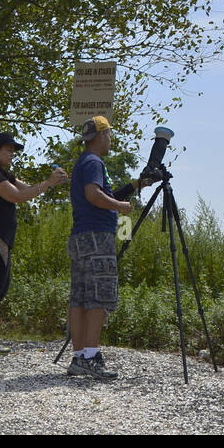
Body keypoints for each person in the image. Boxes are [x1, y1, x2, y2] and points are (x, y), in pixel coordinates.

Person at [0, 132, 69, 355]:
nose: (12, 154)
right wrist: (48, 182)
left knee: (2, 285)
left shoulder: (3, 174)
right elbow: (17, 197)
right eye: (8, 150)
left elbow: (27, 189)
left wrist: (49, 183)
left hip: (3, 236)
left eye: (14, 150)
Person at [66, 115, 142, 381]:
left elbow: (100, 194)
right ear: (99, 136)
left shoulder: (83, 162)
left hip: (81, 237)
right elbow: (93, 195)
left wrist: (135, 186)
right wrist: (121, 207)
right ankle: (91, 356)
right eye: (108, 134)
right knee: (99, 296)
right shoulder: (95, 162)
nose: (110, 139)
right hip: (98, 237)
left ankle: (79, 358)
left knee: (80, 298)